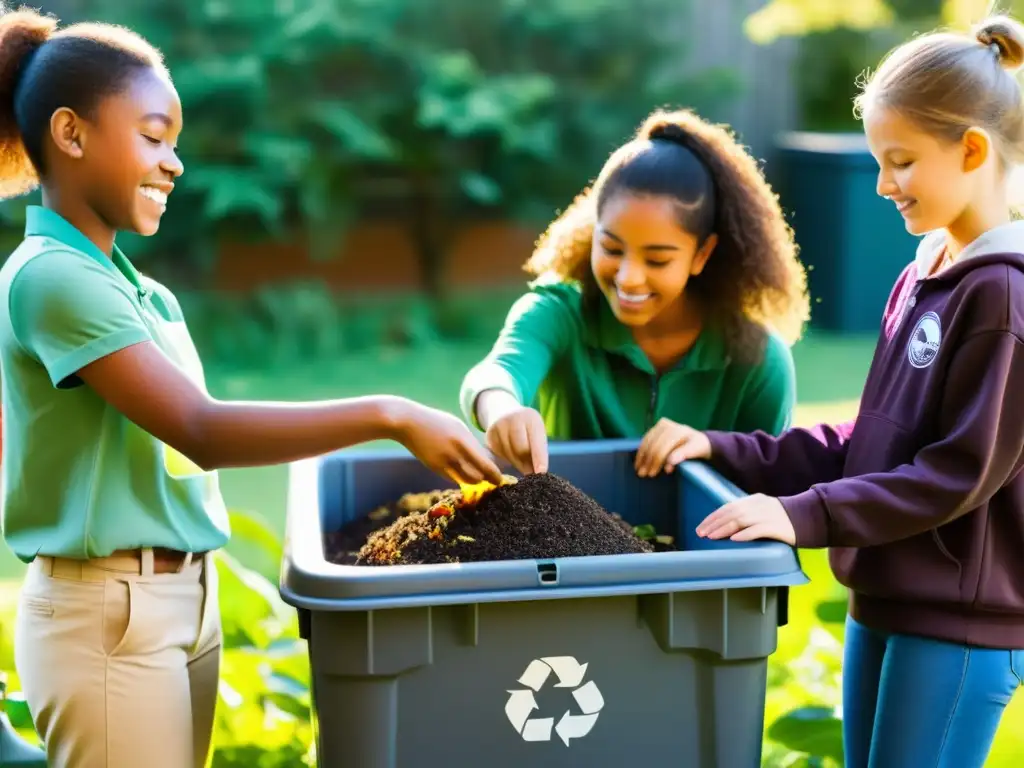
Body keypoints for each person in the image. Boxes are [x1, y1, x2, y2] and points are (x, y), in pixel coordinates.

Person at [0, 9, 501, 768]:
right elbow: (200, 429)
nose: (173, 163)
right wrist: (388, 415)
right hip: (108, 614)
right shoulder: (52, 279)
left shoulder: (138, 291)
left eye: (175, 143)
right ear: (70, 134)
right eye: (152, 135)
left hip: (178, 598)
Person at [671, 15, 1024, 768]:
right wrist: (725, 449)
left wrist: (800, 516)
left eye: (900, 161)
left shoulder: (1001, 297)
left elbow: (953, 475)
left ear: (970, 150)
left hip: (958, 624)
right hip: (884, 599)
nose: (882, 183)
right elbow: (871, 443)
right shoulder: (925, 274)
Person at [459, 108, 810, 477]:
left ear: (701, 254)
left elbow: (769, 485)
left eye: (657, 260)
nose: (628, 278)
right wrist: (500, 407)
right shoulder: (559, 314)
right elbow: (496, 373)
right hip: (560, 532)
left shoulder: (757, 361)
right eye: (611, 249)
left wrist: (710, 450)